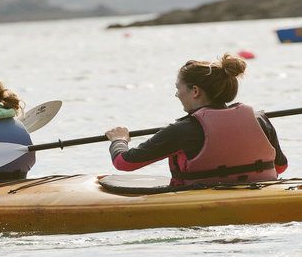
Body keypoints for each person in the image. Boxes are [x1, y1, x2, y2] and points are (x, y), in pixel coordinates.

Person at [105, 54, 287, 186]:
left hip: (203, 201)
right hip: (261, 193)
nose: (176, 94)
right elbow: (280, 167)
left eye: (178, 88)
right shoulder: (259, 119)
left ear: (195, 91)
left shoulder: (182, 130)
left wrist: (119, 140)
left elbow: (124, 162)